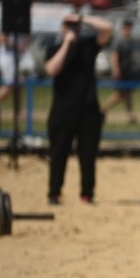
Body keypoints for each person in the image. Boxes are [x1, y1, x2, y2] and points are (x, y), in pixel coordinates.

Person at [44, 13, 114, 205]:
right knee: (58, 153)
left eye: (75, 26)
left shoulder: (88, 46)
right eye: (68, 25)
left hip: (88, 108)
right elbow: (51, 70)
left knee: (88, 154)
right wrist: (67, 43)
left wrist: (83, 18)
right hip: (63, 109)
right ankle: (54, 193)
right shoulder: (54, 48)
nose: (73, 28)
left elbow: (107, 27)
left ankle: (87, 194)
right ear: (62, 28)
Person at [101, 19, 138, 124]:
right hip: (120, 71)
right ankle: (103, 110)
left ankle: (130, 115)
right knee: (120, 94)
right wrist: (116, 69)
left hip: (127, 71)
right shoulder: (119, 40)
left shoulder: (129, 40)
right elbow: (114, 55)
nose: (129, 30)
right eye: (128, 28)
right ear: (124, 28)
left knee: (127, 93)